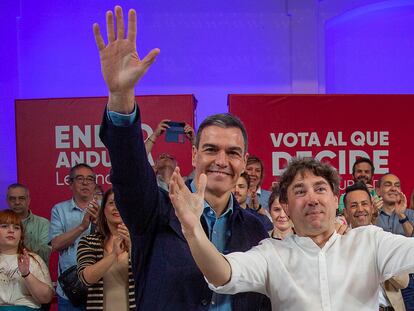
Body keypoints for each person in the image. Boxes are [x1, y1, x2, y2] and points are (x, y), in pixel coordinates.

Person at [95, 6, 270, 310]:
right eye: (211, 149)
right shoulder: (155, 211)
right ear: (193, 154)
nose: (221, 160)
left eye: (233, 153)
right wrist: (121, 97)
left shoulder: (256, 229)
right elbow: (129, 170)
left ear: (243, 163)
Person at [169, 157, 414, 310]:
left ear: (334, 199)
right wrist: (193, 230)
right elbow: (222, 273)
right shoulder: (272, 253)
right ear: (285, 206)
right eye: (300, 191)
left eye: (320, 188)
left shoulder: (369, 241)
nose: (312, 199)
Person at [343, 182, 409, 311]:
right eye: (354, 205)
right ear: (345, 212)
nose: (360, 209)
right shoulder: (340, 242)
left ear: (372, 208)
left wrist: (379, 257)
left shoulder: (384, 238)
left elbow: (403, 282)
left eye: (364, 204)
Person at [49, 163, 99, 311]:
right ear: (70, 183)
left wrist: (99, 223)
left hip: (100, 287)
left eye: (90, 179)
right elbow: (55, 244)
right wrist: (82, 227)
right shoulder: (59, 209)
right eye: (79, 178)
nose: (85, 183)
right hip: (71, 290)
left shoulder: (105, 208)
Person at [77, 189, 135, 311]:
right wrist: (113, 255)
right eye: (111, 203)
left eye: (121, 202)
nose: (116, 207)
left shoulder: (141, 241)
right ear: (103, 210)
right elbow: (86, 278)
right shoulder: (88, 242)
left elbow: (154, 275)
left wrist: (133, 246)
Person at [0, 209, 54, 310]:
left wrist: (27, 274)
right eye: (4, 226)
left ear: (21, 236)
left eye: (16, 228)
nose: (11, 230)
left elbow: (46, 298)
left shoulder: (33, 259)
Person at [375, 173, 414, 310]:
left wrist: (402, 215)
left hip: (410, 279)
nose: (393, 188)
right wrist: (373, 215)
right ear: (378, 190)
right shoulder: (372, 216)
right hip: (383, 280)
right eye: (388, 184)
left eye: (397, 185)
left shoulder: (410, 214)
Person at [6, 183, 51, 266]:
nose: (17, 202)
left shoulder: (43, 224)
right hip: (6, 274)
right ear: (7, 201)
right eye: (12, 199)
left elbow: (45, 253)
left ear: (28, 200)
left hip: (37, 273)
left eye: (21, 198)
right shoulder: (1, 223)